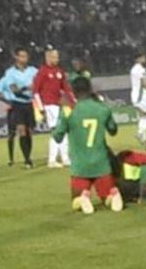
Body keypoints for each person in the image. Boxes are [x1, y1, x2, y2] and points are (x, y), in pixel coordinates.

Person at [50, 76, 121, 214]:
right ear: (90, 89)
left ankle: (83, 198)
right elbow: (113, 130)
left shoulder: (69, 111)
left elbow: (57, 137)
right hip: (102, 165)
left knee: (75, 202)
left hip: (80, 167)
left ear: (73, 91)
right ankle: (113, 196)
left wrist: (62, 113)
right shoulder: (102, 108)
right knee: (106, 197)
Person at [33, 46, 75, 168]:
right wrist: (41, 108)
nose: (57, 59)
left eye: (57, 56)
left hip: (58, 105)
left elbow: (66, 88)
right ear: (48, 57)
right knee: (57, 131)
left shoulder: (59, 71)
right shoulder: (43, 71)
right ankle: (52, 160)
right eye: (54, 57)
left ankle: (65, 158)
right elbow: (35, 91)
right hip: (48, 105)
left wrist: (73, 102)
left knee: (63, 131)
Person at [0, 47, 37, 168]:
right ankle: (27, 159)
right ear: (17, 57)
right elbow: (15, 91)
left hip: (30, 103)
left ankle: (28, 155)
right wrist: (28, 88)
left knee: (30, 131)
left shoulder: (33, 70)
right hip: (17, 104)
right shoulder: (10, 73)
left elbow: (39, 84)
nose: (25, 58)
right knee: (21, 130)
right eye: (22, 56)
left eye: (26, 56)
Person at [129, 52, 146, 142]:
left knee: (143, 116)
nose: (145, 59)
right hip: (141, 96)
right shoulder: (141, 69)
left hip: (134, 95)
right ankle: (140, 133)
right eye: (143, 57)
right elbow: (144, 83)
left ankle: (144, 139)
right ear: (138, 59)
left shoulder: (133, 69)